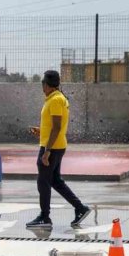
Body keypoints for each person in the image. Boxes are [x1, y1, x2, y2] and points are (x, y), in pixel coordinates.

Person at [26, 70, 91, 228]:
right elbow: (53, 127)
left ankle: (44, 217)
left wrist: (47, 151)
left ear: (47, 85)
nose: (42, 86)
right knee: (55, 180)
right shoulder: (56, 98)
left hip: (52, 147)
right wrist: (41, 130)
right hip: (56, 145)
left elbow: (57, 127)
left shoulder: (55, 100)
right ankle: (80, 208)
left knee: (43, 181)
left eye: (43, 83)